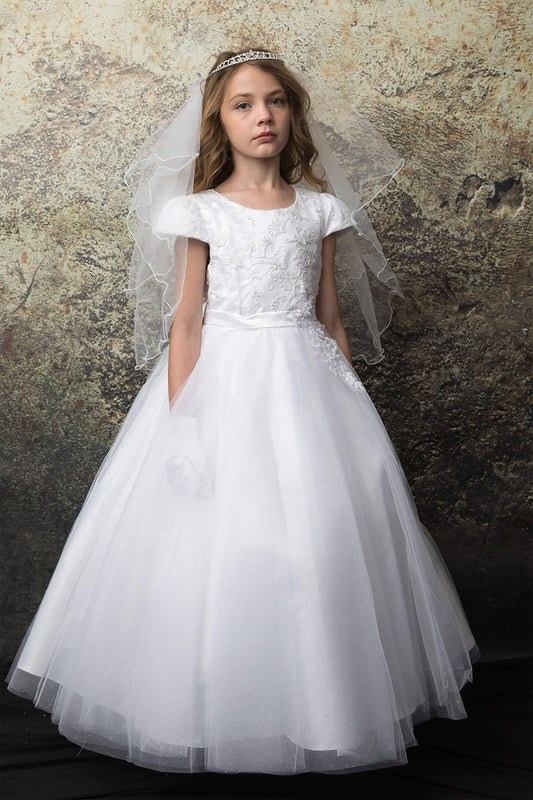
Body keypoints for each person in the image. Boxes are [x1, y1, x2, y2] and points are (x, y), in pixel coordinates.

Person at [5, 48, 478, 775]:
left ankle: (319, 706)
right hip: (220, 381)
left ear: (293, 114)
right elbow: (186, 322)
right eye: (243, 104)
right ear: (218, 124)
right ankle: (203, 704)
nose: (263, 116)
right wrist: (185, 423)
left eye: (275, 102)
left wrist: (349, 401)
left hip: (306, 387)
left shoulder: (319, 209)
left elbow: (329, 319)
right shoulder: (198, 211)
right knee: (216, 544)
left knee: (317, 544)